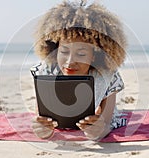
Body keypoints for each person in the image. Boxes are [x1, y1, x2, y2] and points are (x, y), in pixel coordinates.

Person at [31, 0, 127, 140]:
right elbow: (41, 117)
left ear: (94, 55)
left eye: (81, 54)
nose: (70, 62)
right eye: (64, 52)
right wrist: (44, 130)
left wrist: (98, 129)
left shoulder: (107, 75)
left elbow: (105, 122)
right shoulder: (47, 70)